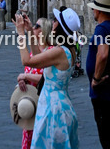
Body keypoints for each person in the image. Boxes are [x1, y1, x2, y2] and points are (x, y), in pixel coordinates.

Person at [15, 8, 80, 149]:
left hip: (54, 110)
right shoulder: (68, 49)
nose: (53, 22)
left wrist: (20, 34)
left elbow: (26, 60)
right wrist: (30, 31)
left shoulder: (59, 52)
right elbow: (38, 55)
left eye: (56, 21)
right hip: (59, 104)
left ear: (61, 27)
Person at [86, 0, 110, 149]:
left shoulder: (102, 29)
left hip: (103, 90)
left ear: (99, 11)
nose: (93, 11)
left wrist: (96, 78)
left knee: (106, 138)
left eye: (94, 8)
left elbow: (103, 54)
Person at [20, 17, 47, 149]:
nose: (34, 28)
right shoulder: (34, 51)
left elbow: (46, 76)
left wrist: (22, 32)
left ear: (44, 31)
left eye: (37, 26)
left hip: (43, 104)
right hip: (30, 106)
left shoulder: (49, 51)